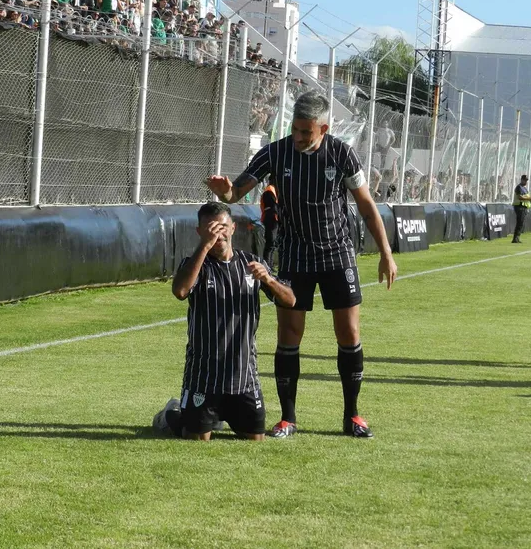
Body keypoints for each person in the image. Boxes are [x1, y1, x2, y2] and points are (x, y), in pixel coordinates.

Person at [205, 90, 398, 439]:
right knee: (289, 335)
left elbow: (367, 205)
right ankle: (288, 418)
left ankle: (352, 416)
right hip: (295, 255)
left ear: (323, 129)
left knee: (349, 333)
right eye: (295, 129)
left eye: (305, 132)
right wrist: (225, 192)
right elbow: (236, 193)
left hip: (337, 253)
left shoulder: (342, 154)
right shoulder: (275, 152)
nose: (297, 137)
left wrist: (386, 252)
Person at [156, 201, 296, 440]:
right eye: (210, 229)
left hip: (244, 376)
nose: (217, 234)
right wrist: (205, 245)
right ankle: (171, 415)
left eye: (221, 227)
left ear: (232, 228)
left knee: (255, 438)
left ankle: (218, 417)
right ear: (199, 232)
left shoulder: (251, 264)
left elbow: (290, 301)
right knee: (197, 439)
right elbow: (180, 291)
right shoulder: (195, 265)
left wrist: (269, 280)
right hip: (204, 376)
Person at [260, 178, 278, 271]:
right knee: (270, 243)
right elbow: (273, 206)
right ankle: (267, 266)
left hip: (272, 218)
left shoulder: (272, 190)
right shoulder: (270, 190)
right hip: (271, 219)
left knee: (273, 244)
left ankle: (270, 265)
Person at [512, 174, 531, 243]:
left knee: (521, 223)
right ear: (521, 180)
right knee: (519, 222)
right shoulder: (519, 187)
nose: (526, 181)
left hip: (524, 207)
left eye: (526, 180)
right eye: (525, 180)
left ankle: (517, 238)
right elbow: (520, 197)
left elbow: (526, 196)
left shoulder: (525, 188)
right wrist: (529, 198)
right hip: (519, 206)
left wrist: (530, 200)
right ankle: (515, 238)